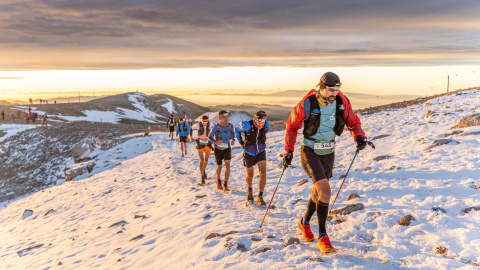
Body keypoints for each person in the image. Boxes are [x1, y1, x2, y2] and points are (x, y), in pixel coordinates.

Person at [283, 72, 367, 254]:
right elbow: (292, 125)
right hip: (310, 151)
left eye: (337, 89)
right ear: (321, 87)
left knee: (317, 192)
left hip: (328, 152)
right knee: (326, 189)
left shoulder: (341, 102)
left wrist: (359, 136)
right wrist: (289, 150)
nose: (334, 93)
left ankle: (304, 223)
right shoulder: (308, 102)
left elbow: (353, 122)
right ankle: (322, 236)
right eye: (330, 89)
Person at [235, 110, 270, 205]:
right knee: (250, 175)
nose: (261, 123)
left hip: (261, 151)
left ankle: (260, 196)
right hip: (248, 153)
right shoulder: (246, 125)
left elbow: (265, 132)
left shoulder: (267, 124)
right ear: (255, 119)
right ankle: (249, 190)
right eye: (259, 120)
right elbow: (236, 129)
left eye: (263, 120)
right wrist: (241, 142)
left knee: (263, 173)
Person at [208, 110, 235, 191]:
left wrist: (233, 139)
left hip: (227, 148)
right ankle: (218, 180)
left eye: (226, 116)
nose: (225, 118)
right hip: (218, 149)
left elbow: (233, 134)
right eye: (223, 117)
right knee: (219, 167)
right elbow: (209, 137)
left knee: (227, 165)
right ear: (219, 118)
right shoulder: (216, 127)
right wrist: (216, 141)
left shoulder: (230, 126)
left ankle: (225, 184)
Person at [192, 115, 214, 184]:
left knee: (206, 159)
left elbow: (215, 130)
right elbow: (191, 128)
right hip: (200, 143)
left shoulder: (210, 124)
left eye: (206, 121)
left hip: (208, 143)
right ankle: (202, 177)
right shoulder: (198, 125)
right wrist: (190, 137)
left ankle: (203, 170)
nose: (205, 122)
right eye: (204, 121)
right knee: (201, 159)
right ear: (201, 120)